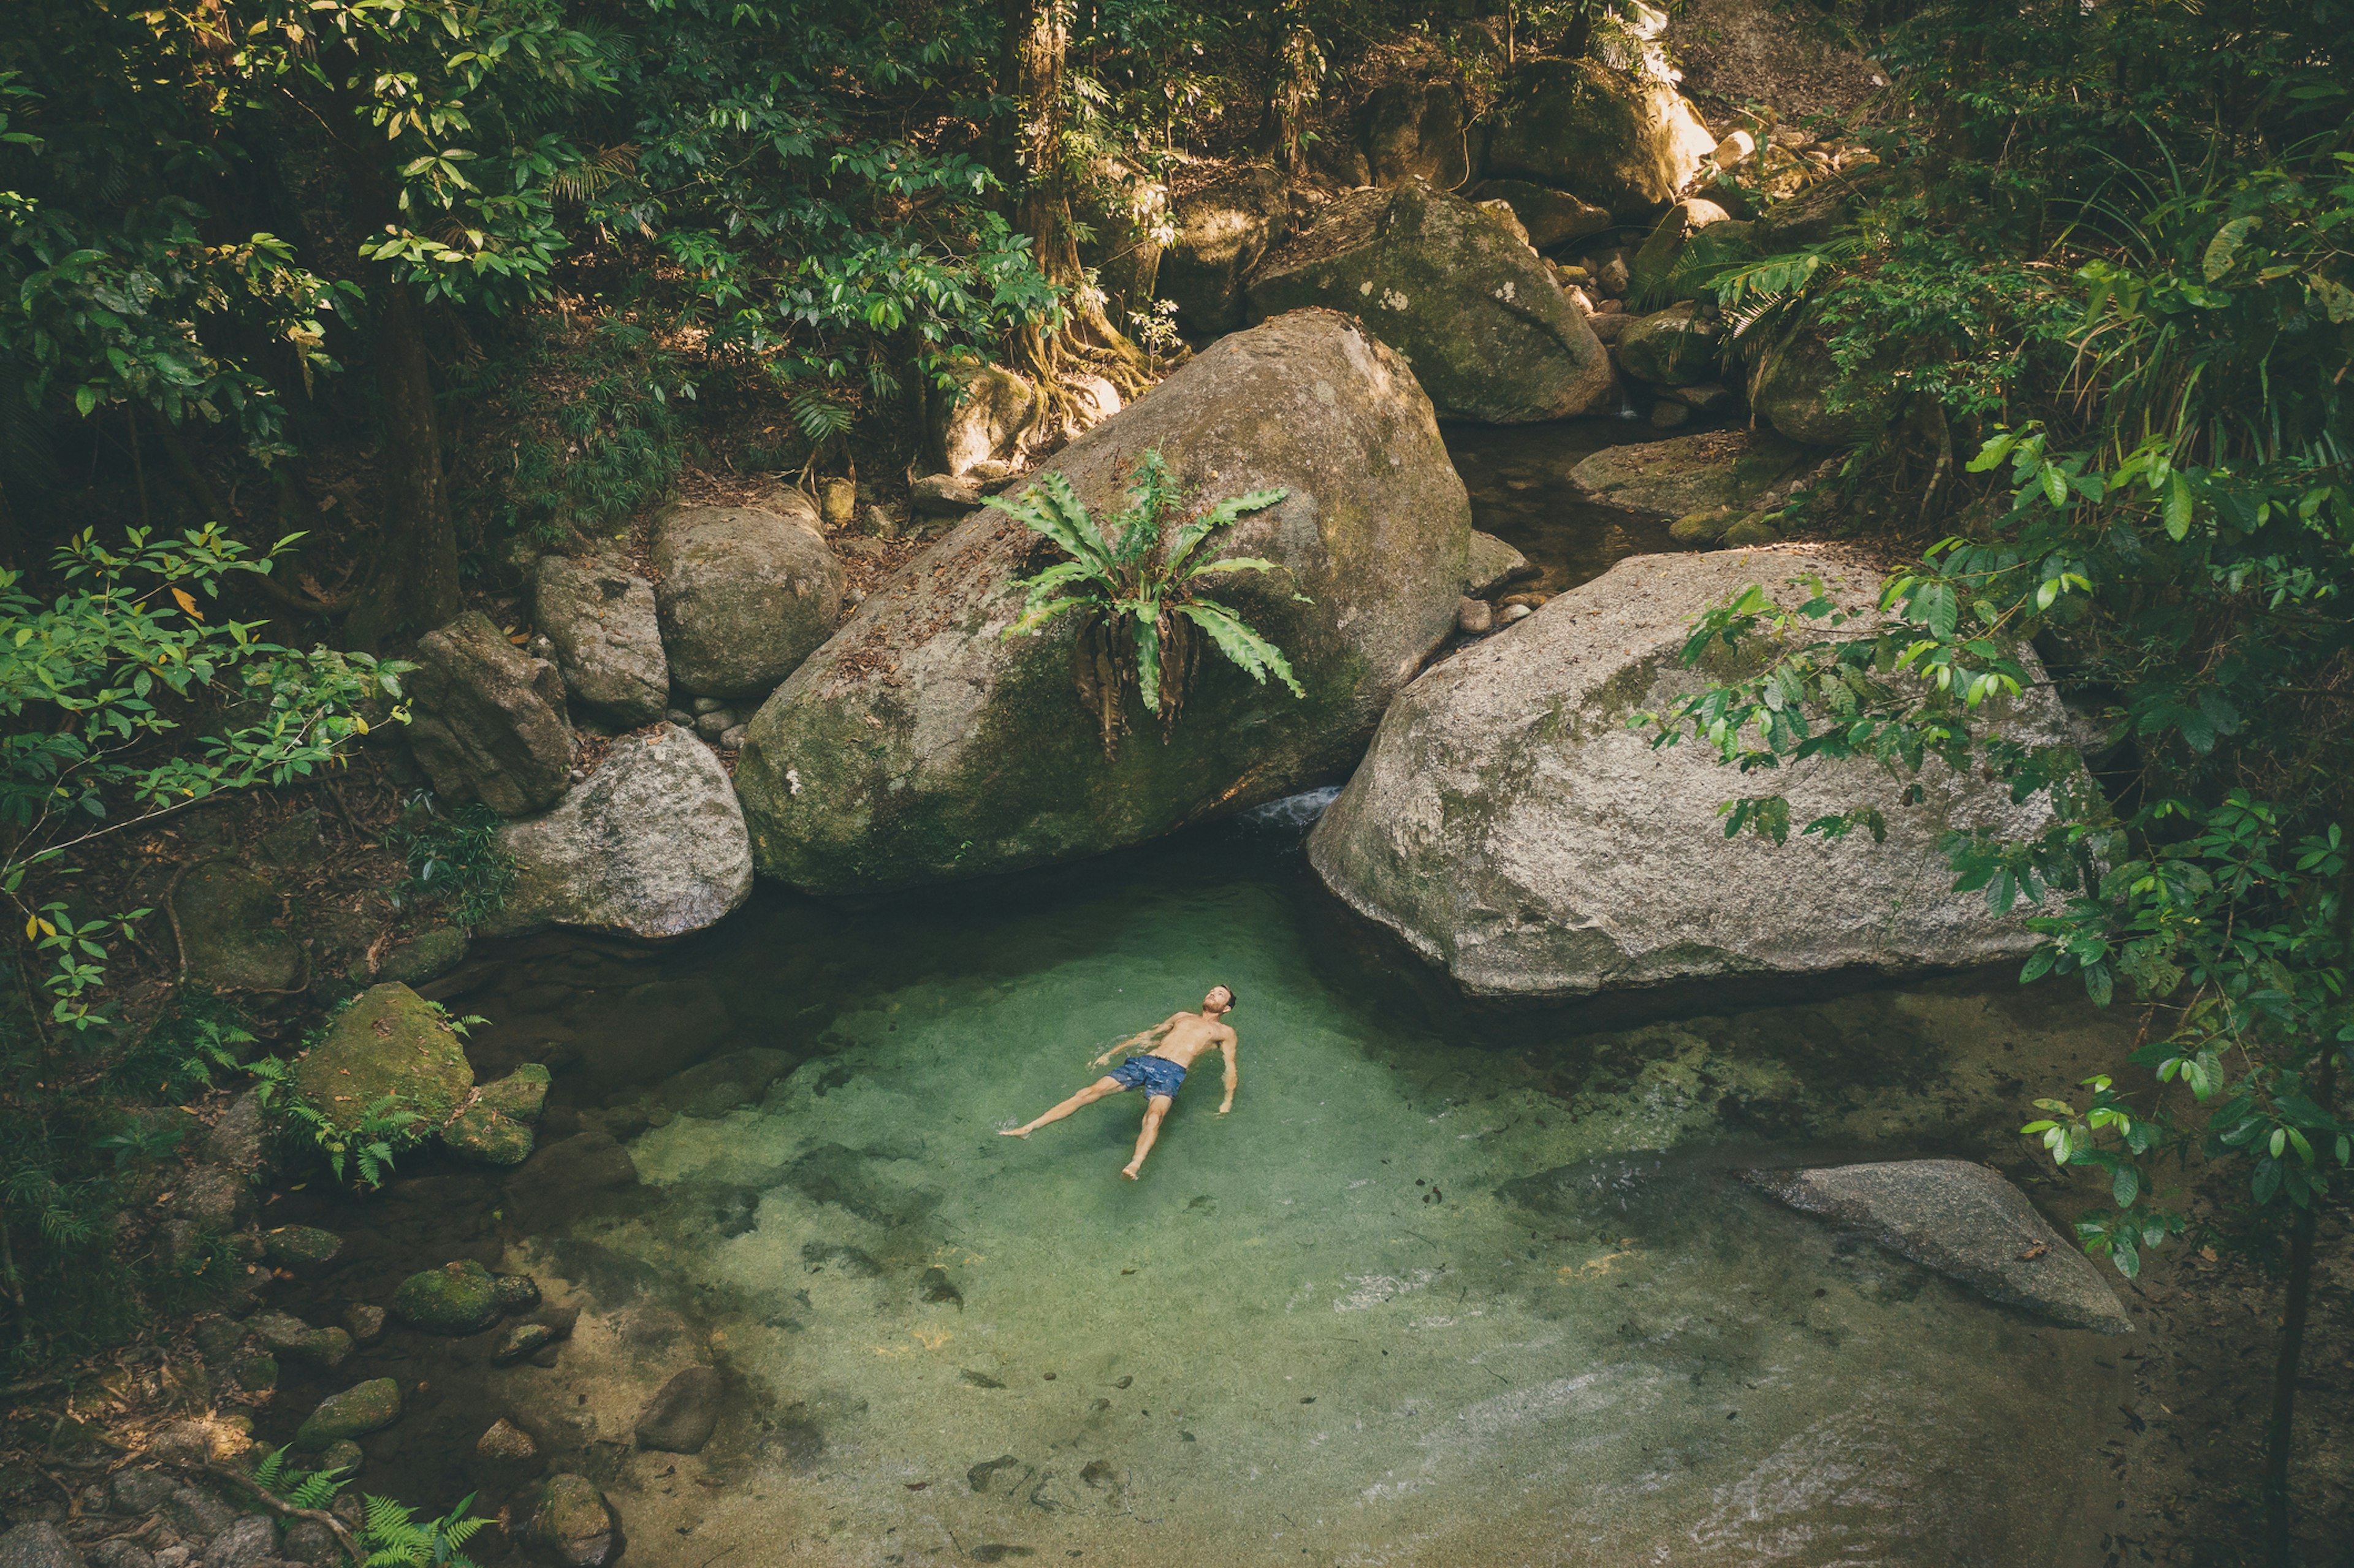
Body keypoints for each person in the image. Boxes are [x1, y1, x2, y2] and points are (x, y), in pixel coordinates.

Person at [1000, 985, 1239, 1179]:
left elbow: (1230, 1066)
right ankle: (1028, 1128)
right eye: (1211, 991)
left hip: (1172, 1072)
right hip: (1146, 1061)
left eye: (1219, 994)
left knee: (1154, 1118)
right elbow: (1147, 1036)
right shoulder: (1182, 1017)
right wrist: (1110, 1052)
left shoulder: (1225, 1032)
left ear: (1226, 1008)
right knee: (1087, 1092)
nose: (1212, 994)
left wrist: (1227, 1100)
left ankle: (1134, 1164)